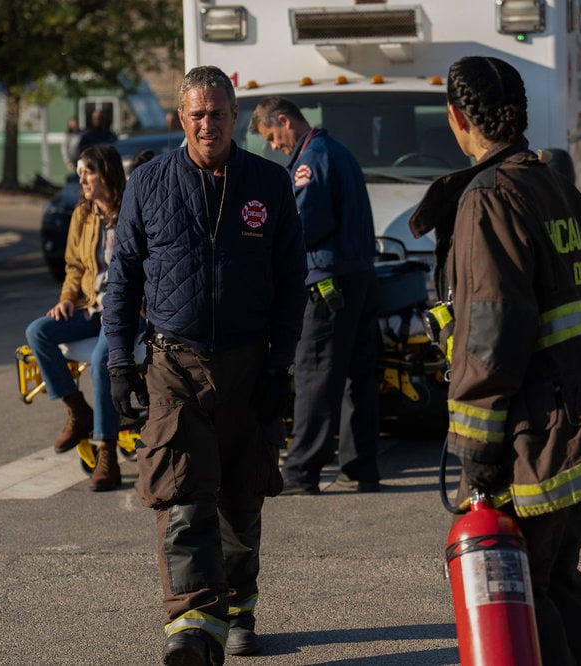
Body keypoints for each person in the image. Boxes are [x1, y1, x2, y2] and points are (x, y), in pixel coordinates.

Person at [408, 56, 581, 666]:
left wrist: (476, 449)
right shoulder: (558, 188)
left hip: (533, 441)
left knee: (530, 593)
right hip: (579, 428)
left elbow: (490, 334)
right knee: (559, 581)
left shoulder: (489, 200)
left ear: (456, 118)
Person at [103, 66, 307, 664]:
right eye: (196, 114)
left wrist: (279, 367)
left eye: (217, 113)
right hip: (174, 364)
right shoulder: (149, 184)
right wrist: (119, 361)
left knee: (242, 496)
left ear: (235, 115)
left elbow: (292, 282)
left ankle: (238, 608)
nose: (207, 124)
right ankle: (192, 626)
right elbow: (123, 280)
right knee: (186, 495)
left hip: (249, 365)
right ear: (180, 119)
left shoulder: (268, 185)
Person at [250, 96, 381, 495]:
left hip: (326, 282)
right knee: (357, 377)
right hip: (358, 277)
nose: (273, 146)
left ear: (286, 122)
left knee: (315, 374)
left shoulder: (310, 162)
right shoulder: (336, 151)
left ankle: (301, 472)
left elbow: (304, 226)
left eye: (272, 137)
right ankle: (361, 468)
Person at [24, 144, 128, 491]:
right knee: (38, 331)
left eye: (88, 172)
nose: (81, 179)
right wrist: (67, 298)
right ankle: (76, 408)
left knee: (101, 359)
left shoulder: (132, 211)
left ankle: (107, 455)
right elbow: (75, 266)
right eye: (80, 172)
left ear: (107, 174)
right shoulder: (82, 215)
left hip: (127, 310)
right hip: (89, 306)